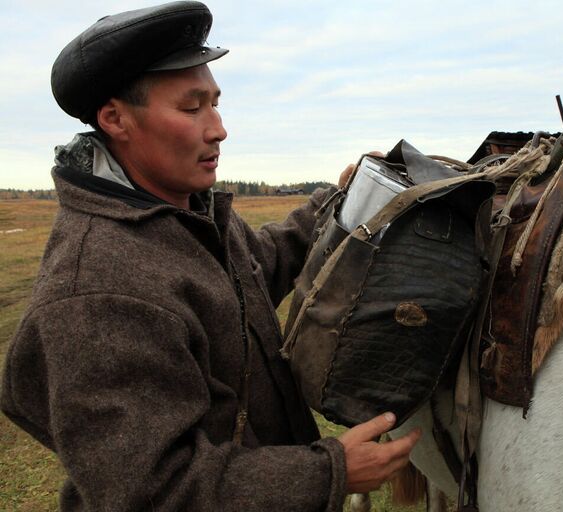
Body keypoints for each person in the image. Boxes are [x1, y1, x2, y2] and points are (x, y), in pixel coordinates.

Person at [0, 2, 420, 511]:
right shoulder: (96, 291)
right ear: (115, 119)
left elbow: (258, 268)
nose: (218, 129)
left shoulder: (183, 214)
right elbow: (153, 491)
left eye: (215, 103)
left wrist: (340, 203)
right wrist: (330, 472)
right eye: (191, 107)